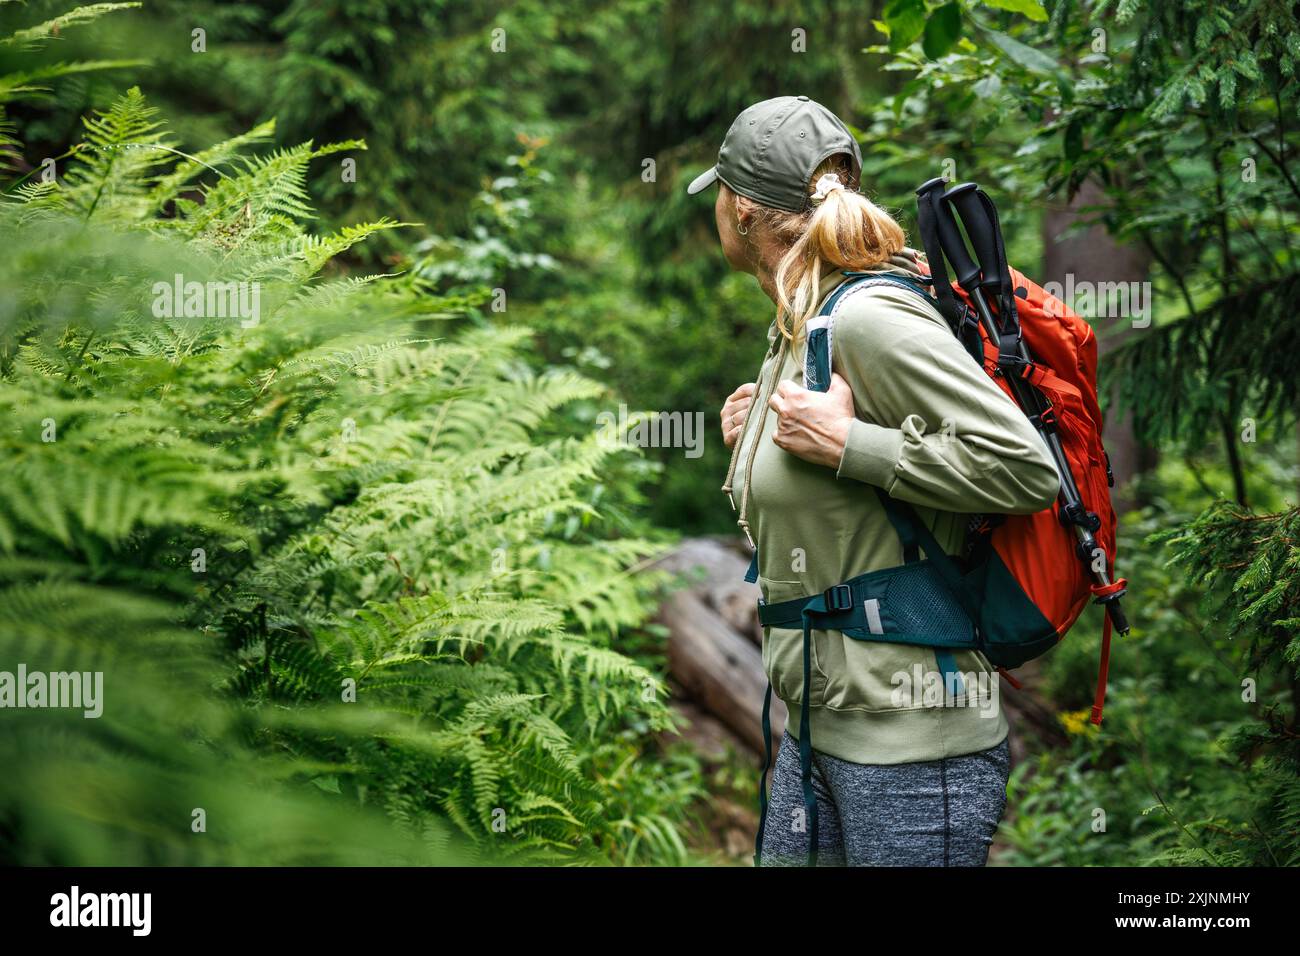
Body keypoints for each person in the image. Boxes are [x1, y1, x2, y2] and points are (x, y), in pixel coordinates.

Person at [686, 96, 1060, 866]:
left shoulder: (870, 317)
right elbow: (833, 501)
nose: (717, 209)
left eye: (720, 192)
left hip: (917, 748)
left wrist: (850, 444)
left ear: (747, 211)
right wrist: (762, 438)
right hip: (818, 728)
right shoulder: (801, 320)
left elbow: (1024, 466)